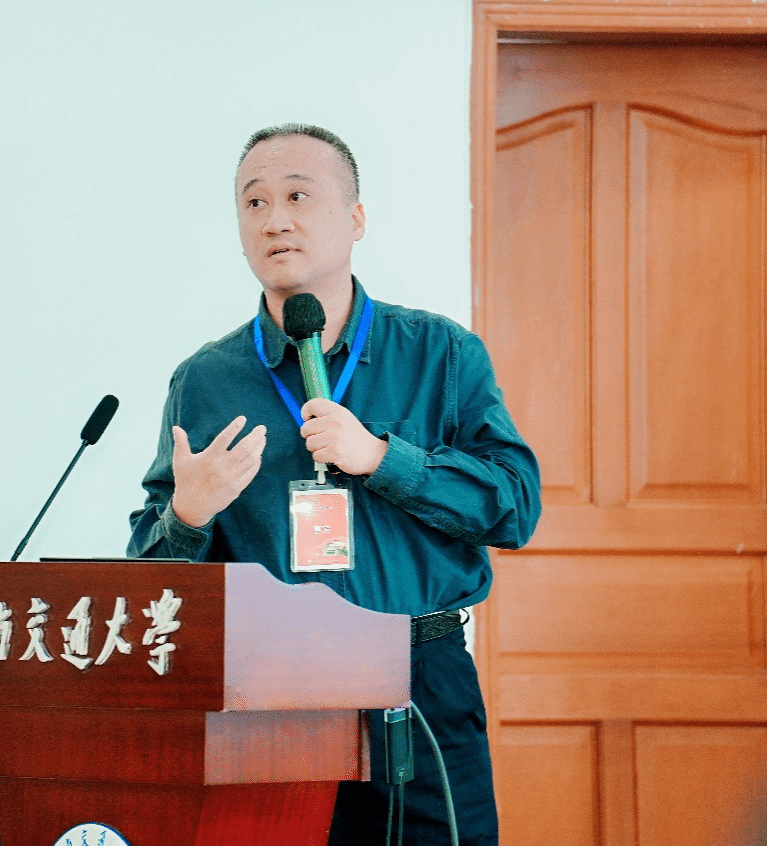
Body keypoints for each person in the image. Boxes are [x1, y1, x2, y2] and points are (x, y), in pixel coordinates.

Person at [128, 123, 541, 845]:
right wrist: (188, 516)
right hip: (267, 690)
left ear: (356, 218)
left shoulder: (440, 353)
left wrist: (383, 459)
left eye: (298, 196)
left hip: (418, 678)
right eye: (254, 203)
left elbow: (514, 506)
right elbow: (148, 575)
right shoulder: (206, 381)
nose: (274, 220)